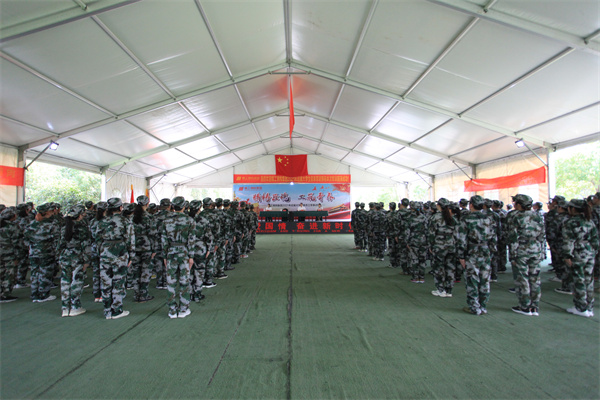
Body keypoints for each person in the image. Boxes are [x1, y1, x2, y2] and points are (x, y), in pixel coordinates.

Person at [95, 198, 135, 319]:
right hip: (120, 252)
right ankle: (116, 310)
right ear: (120, 207)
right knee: (118, 281)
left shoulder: (102, 221)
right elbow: (130, 239)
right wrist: (131, 255)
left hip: (105, 251)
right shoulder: (125, 221)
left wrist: (101, 251)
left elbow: (97, 239)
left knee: (106, 281)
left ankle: (107, 310)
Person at [457, 195, 497, 315]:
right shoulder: (489, 218)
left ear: (471, 205)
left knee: (472, 279)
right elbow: (494, 237)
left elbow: (461, 239)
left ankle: (474, 306)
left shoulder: (466, 219)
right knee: (485, 279)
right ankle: (483, 306)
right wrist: (492, 252)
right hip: (486, 250)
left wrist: (461, 255)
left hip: (472, 251)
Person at [507, 194, 545, 316]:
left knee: (522, 279)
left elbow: (513, 238)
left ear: (519, 204)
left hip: (521, 250)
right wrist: (542, 251)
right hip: (535, 249)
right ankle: (535, 306)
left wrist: (512, 255)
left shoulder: (516, 217)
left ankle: (524, 306)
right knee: (535, 278)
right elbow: (542, 235)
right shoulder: (538, 216)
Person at [562, 199, 598, 317]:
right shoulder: (589, 221)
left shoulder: (570, 222)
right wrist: (593, 251)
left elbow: (568, 240)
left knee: (578, 280)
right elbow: (595, 239)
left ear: (573, 209)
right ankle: (589, 307)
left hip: (577, 253)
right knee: (589, 280)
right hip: (589, 252)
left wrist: (567, 255)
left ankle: (581, 307)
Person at [161, 196, 196, 319]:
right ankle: (183, 309)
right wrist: (191, 256)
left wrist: (165, 256)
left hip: (171, 252)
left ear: (173, 206)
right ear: (184, 206)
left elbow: (164, 240)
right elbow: (191, 240)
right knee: (184, 281)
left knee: (171, 282)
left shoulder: (166, 221)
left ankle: (172, 310)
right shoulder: (189, 220)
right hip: (184, 252)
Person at [57, 204, 90, 317]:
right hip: (77, 257)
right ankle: (75, 306)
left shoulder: (64, 227)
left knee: (65, 281)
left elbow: (59, 244)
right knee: (77, 281)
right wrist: (87, 260)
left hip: (65, 256)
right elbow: (86, 245)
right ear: (79, 215)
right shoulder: (81, 228)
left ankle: (65, 307)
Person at [24, 203, 58, 303]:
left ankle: (34, 294)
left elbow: (25, 239)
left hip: (33, 253)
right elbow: (56, 240)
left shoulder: (31, 224)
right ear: (46, 212)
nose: (53, 212)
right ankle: (43, 295)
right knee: (45, 273)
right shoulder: (51, 225)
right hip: (46, 253)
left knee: (35, 273)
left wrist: (32, 247)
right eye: (51, 211)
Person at [429, 198, 457, 298]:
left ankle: (440, 289)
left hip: (439, 246)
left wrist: (431, 245)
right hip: (451, 246)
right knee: (450, 268)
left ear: (439, 206)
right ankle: (449, 290)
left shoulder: (435, 217)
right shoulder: (452, 218)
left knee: (438, 268)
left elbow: (431, 233)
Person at [131, 195, 155, 303]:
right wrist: (154, 249)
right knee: (146, 270)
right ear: (147, 204)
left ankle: (136, 294)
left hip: (134, 246)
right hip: (146, 246)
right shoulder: (149, 217)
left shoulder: (132, 217)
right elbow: (152, 233)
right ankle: (143, 294)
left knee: (136, 270)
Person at [0, 208, 20, 303]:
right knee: (9, 273)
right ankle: (5, 294)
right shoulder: (12, 227)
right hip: (9, 254)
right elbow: (16, 242)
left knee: (1, 272)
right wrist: (17, 256)